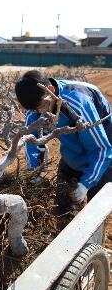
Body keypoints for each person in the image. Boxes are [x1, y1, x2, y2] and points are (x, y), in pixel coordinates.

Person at [15, 70, 112, 220]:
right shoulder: (35, 108)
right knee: (61, 204)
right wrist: (35, 173)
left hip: (103, 150)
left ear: (51, 90)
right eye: (34, 110)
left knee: (96, 211)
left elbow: (101, 149)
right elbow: (32, 142)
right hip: (71, 151)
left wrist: (86, 184)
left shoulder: (78, 102)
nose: (40, 112)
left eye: (42, 105)